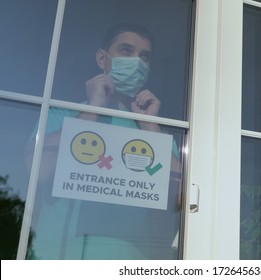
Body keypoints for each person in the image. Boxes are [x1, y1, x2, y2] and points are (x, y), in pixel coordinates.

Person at [25, 23, 181, 259]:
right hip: (57, 255)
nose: (136, 62)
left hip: (128, 259)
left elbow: (180, 197)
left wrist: (149, 126)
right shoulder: (62, 113)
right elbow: (40, 172)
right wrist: (92, 109)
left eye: (144, 57)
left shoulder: (151, 131)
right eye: (126, 51)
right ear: (102, 59)